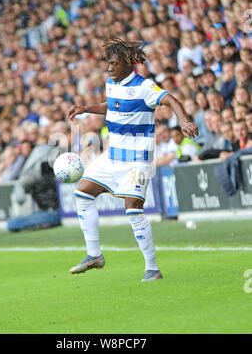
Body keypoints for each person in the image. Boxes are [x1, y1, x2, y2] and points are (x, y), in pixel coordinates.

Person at [67, 38, 198, 282]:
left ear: (128, 63)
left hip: (137, 160)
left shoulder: (145, 86)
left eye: (114, 63)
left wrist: (184, 120)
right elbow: (113, 105)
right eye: (108, 63)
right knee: (82, 193)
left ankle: (152, 268)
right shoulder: (111, 83)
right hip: (113, 156)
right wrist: (85, 107)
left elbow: (170, 99)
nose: (109, 68)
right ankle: (94, 255)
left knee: (133, 211)